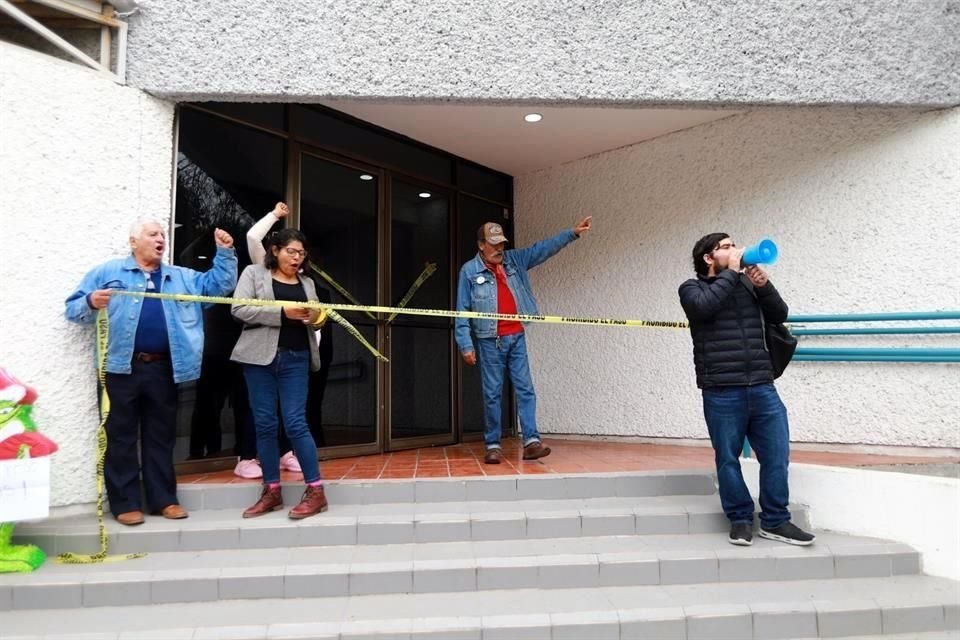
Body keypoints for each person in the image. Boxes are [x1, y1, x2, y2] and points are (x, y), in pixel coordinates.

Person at [65, 220, 237, 526]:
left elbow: (218, 287)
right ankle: (125, 504)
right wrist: (91, 302)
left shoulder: (181, 278)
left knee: (161, 436)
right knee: (120, 437)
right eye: (153, 234)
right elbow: (73, 308)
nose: (160, 239)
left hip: (163, 366)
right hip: (119, 367)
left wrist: (225, 253)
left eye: (162, 235)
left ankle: (164, 500)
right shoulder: (108, 273)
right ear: (133, 241)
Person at [678, 233, 815, 547]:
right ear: (708, 258)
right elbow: (704, 309)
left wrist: (763, 285)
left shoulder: (747, 285)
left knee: (777, 456)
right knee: (728, 458)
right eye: (726, 247)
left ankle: (776, 520)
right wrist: (732, 272)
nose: (735, 249)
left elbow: (779, 314)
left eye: (734, 245)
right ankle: (740, 519)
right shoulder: (692, 288)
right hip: (722, 390)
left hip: (762, 385)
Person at [455, 217, 592, 464]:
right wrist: (465, 343)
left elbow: (542, 249)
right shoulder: (469, 271)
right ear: (480, 245)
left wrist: (572, 233)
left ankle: (531, 441)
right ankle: (493, 445)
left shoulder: (515, 261)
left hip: (516, 336)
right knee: (492, 394)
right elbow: (461, 310)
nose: (499, 249)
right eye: (493, 244)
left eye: (501, 244)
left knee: (525, 389)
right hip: (489, 340)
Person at [231, 228, 328, 519]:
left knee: (296, 422)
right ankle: (272, 490)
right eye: (291, 252)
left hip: (297, 358)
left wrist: (316, 316)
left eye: (301, 253)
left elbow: (320, 318)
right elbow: (239, 308)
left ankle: (316, 490)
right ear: (275, 250)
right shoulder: (253, 274)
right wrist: (281, 313)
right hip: (258, 359)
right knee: (265, 424)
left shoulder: (308, 283)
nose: (297, 258)